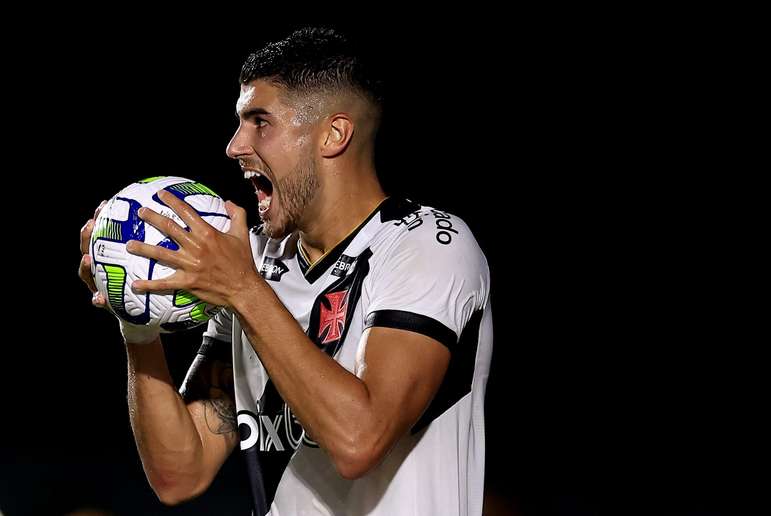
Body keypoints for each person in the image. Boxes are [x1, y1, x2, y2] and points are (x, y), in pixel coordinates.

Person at [78, 27, 493, 516]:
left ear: (334, 135)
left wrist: (242, 288)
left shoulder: (427, 245)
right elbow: (179, 474)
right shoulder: (253, 262)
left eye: (260, 122)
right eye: (239, 122)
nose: (234, 146)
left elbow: (359, 441)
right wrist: (137, 323)